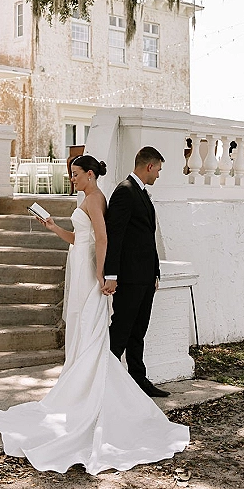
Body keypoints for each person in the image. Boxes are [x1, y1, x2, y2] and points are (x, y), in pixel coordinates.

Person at [0, 154, 189, 475]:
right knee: (82, 329)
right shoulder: (86, 198)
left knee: (91, 328)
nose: (72, 179)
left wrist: (102, 274)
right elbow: (77, 238)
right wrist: (54, 227)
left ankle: (92, 396)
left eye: (76, 174)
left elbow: (102, 238)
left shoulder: (97, 199)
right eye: (71, 174)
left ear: (91, 175)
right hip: (78, 264)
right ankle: (79, 388)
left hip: (88, 272)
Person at [103, 146, 168, 398]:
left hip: (144, 278)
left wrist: (155, 273)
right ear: (149, 166)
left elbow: (146, 238)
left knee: (138, 332)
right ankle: (104, 380)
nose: (158, 175)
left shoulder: (142, 193)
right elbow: (114, 236)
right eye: (158, 170)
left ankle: (138, 380)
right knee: (120, 331)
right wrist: (112, 274)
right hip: (128, 279)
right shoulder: (124, 192)